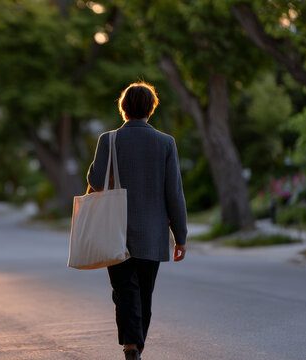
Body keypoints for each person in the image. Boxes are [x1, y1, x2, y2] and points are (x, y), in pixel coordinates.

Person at [86, 82, 187, 360]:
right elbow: (174, 193)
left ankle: (131, 344)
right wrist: (181, 237)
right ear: (151, 108)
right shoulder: (166, 143)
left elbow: (95, 182)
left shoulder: (109, 140)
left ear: (124, 108)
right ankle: (135, 344)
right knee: (143, 293)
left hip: (114, 230)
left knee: (123, 290)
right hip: (152, 233)